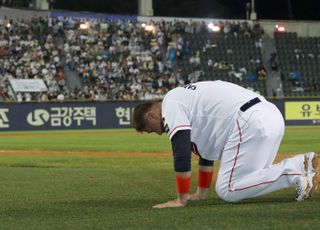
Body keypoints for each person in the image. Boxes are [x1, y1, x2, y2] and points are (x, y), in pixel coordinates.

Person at [132, 80, 319, 208]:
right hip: (270, 115)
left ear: (151, 115)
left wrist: (181, 199)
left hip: (249, 120)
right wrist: (201, 193)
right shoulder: (185, 99)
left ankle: (297, 167)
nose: (158, 132)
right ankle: (304, 177)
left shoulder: (170, 103)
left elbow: (181, 152)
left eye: (151, 128)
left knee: (228, 190)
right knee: (252, 178)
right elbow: (206, 153)